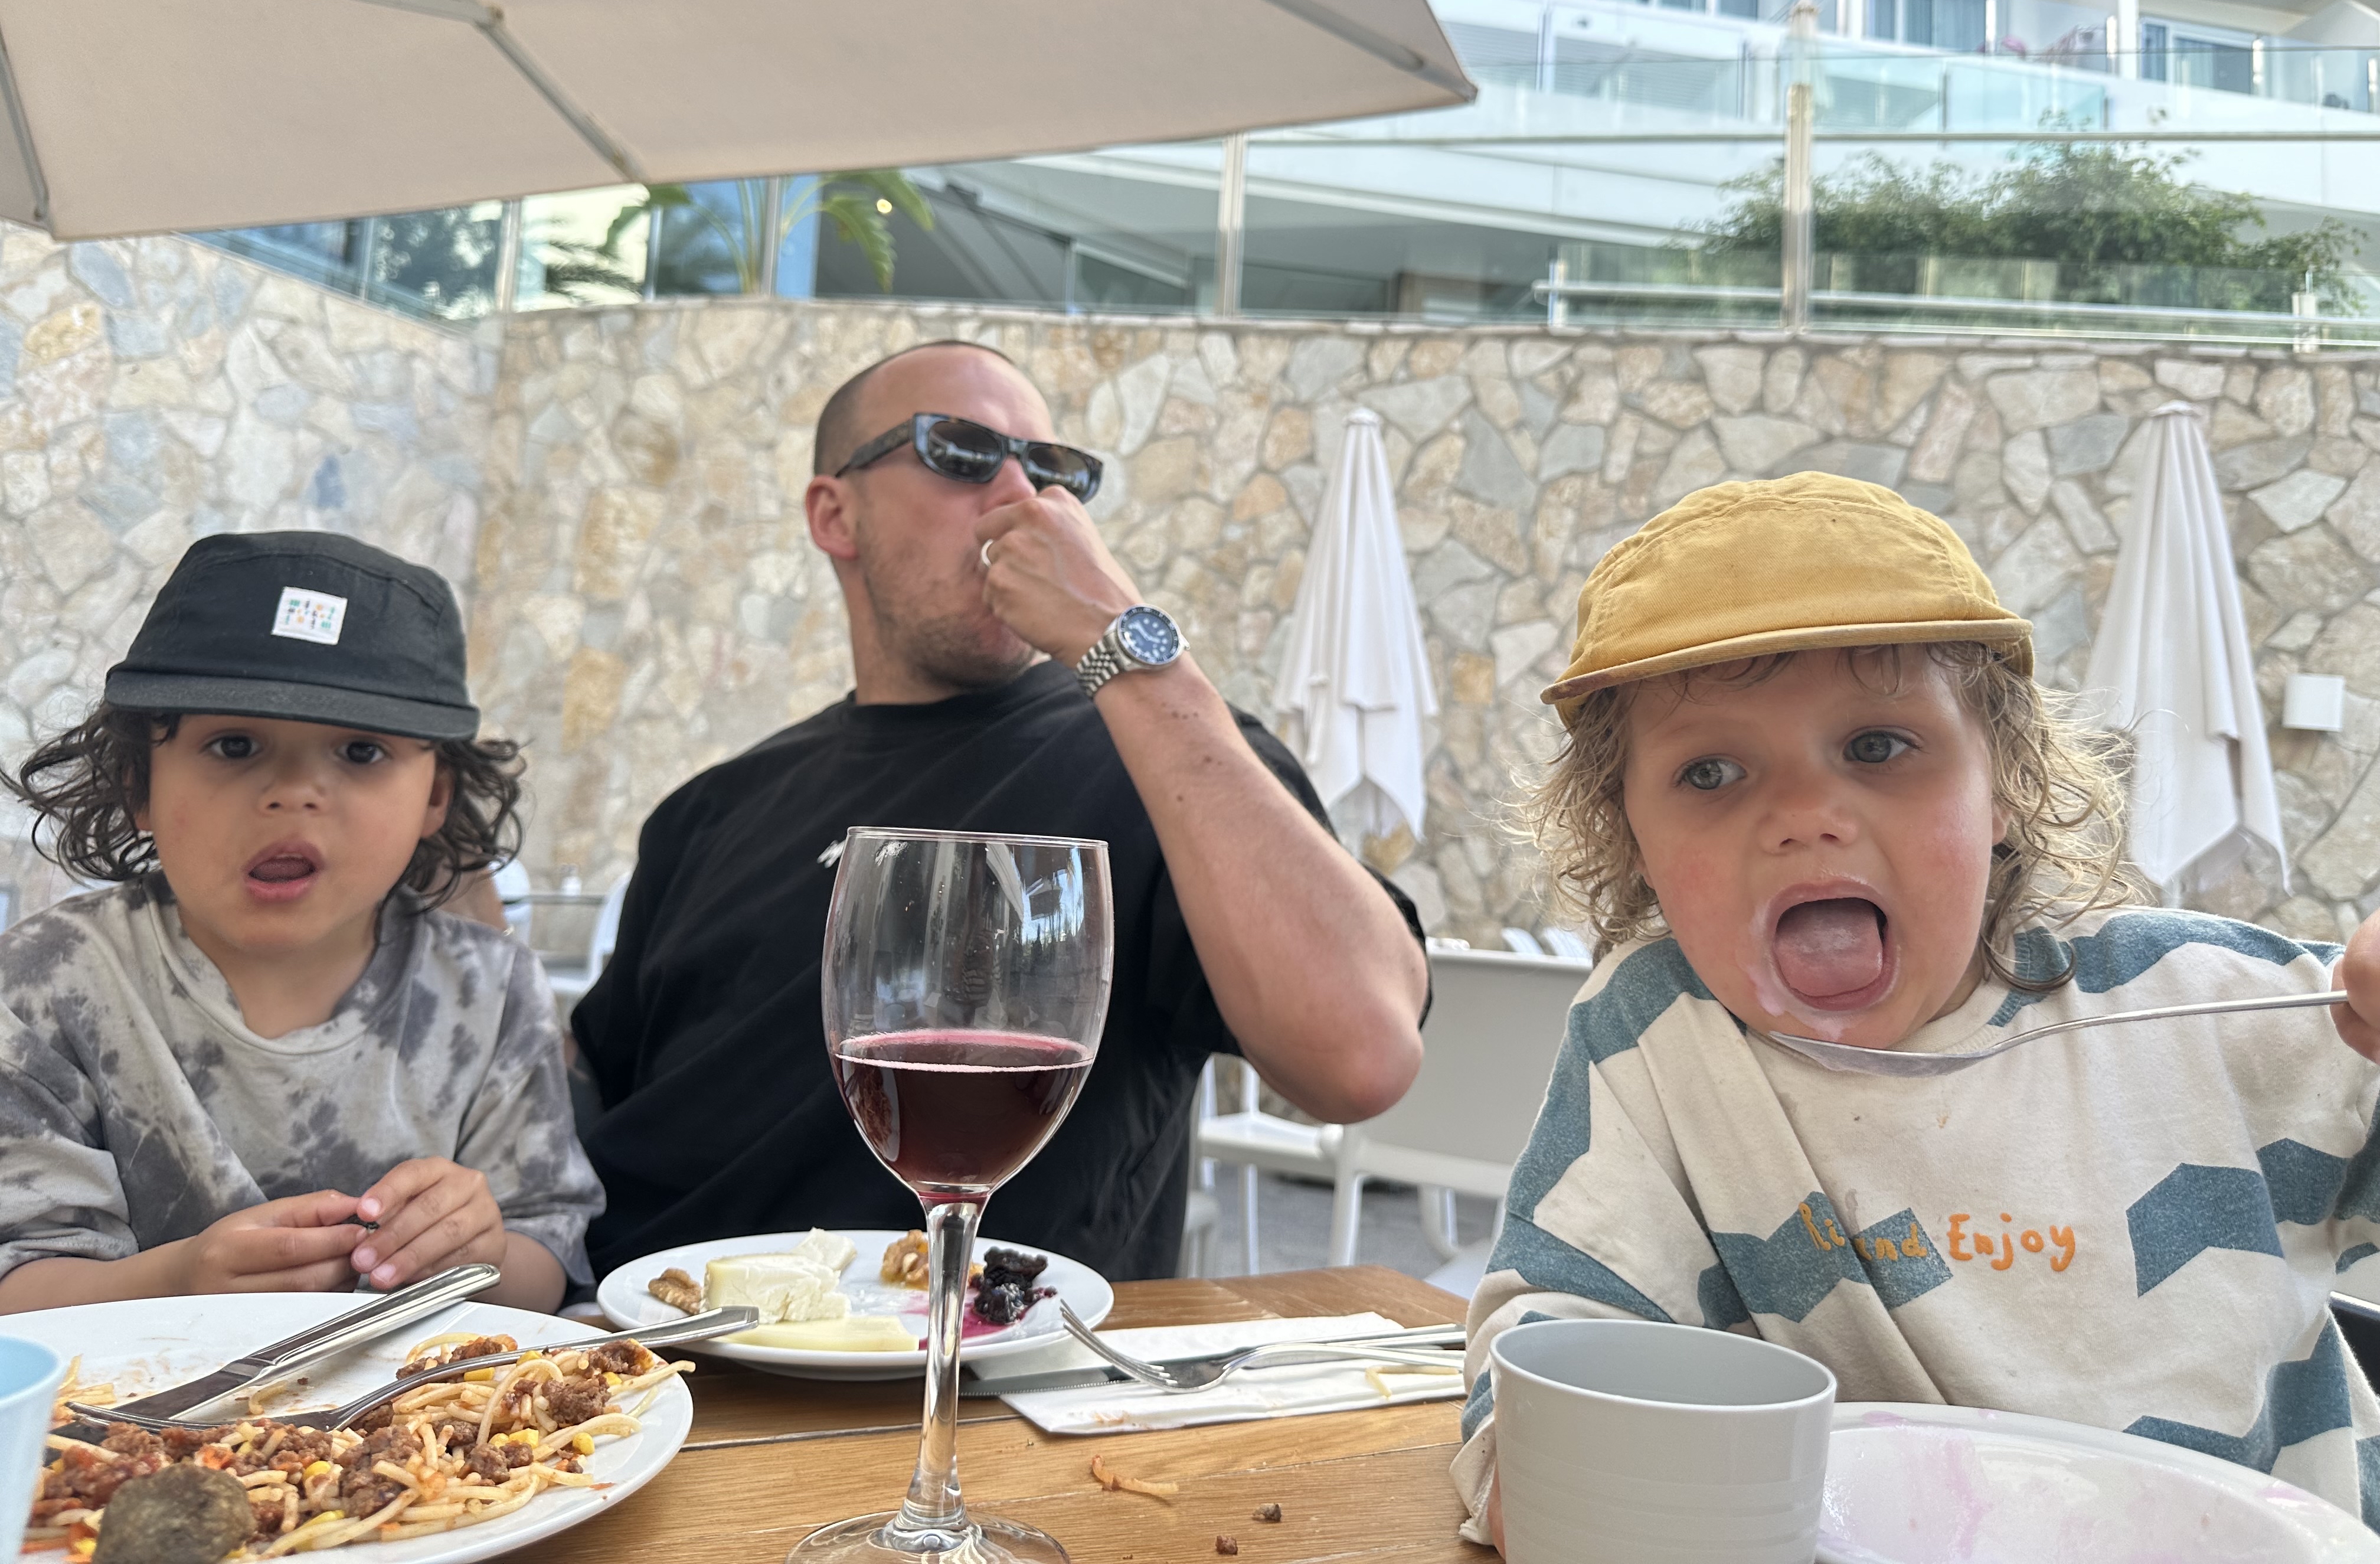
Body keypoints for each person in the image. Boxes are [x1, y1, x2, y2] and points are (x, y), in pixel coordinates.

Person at [1452, 472, 2380, 1543]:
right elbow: (1551, 1360)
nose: (1804, 815)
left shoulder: (2213, 1015)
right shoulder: (1660, 1041)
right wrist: (1548, 1465)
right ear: (1632, 841)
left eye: (1878, 747)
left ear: (2005, 786)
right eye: (1710, 772)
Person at [573, 339, 1430, 1281]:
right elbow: (589, 1091)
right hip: (630, 1343)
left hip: (964, 1355)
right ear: (835, 513)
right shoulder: (711, 809)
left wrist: (1121, 641)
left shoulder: (1162, 758)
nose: (1024, 497)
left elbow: (1362, 1054)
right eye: (962, 452)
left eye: (1054, 472)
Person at [0, 533, 601, 1314]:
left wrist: (479, 1254)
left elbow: (544, 1262)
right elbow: (17, 1287)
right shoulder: (47, 983)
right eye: (235, 745)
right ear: (140, 783)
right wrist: (173, 1286)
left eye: (361, 751)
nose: (293, 792)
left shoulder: (491, 990)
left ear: (435, 796)